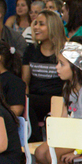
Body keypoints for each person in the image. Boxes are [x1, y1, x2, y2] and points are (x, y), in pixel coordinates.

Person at [31, 43, 82, 164]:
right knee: (40, 153)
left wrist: (77, 151)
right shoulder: (68, 88)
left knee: (51, 155)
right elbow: (64, 118)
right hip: (74, 135)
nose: (57, 67)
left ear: (75, 69)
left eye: (61, 64)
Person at [22, 10, 63, 142]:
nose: (36, 27)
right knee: (24, 100)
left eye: (41, 24)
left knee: (29, 101)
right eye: (35, 24)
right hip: (35, 99)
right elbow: (25, 82)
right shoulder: (31, 50)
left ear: (52, 26)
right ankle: (35, 141)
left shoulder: (64, 51)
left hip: (59, 99)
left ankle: (37, 141)